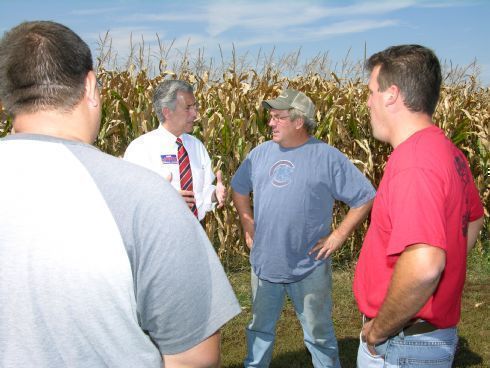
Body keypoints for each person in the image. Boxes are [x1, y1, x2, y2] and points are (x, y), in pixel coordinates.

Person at [0, 20, 241, 367]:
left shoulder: (186, 156)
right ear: (91, 86)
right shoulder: (144, 195)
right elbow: (194, 358)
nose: (195, 114)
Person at [353, 45, 485, 367]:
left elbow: (425, 266)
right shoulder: (448, 151)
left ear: (391, 95)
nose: (368, 102)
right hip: (429, 337)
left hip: (400, 344)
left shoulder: (414, 164)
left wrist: (377, 333)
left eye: (372, 92)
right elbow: (475, 220)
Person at [231, 89, 376, 367]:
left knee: (319, 334)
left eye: (278, 117)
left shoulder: (327, 157)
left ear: (298, 121)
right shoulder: (259, 154)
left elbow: (364, 196)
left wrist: (339, 235)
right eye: (270, 117)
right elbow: (239, 189)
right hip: (265, 263)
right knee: (259, 329)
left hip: (310, 263)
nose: (270, 123)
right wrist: (247, 222)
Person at [124, 79, 225, 221]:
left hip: (194, 234)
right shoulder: (140, 150)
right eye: (188, 108)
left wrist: (215, 194)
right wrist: (165, 200)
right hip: (157, 236)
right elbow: (129, 199)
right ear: (167, 112)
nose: (195, 114)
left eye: (195, 107)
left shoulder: (197, 147)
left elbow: (203, 193)